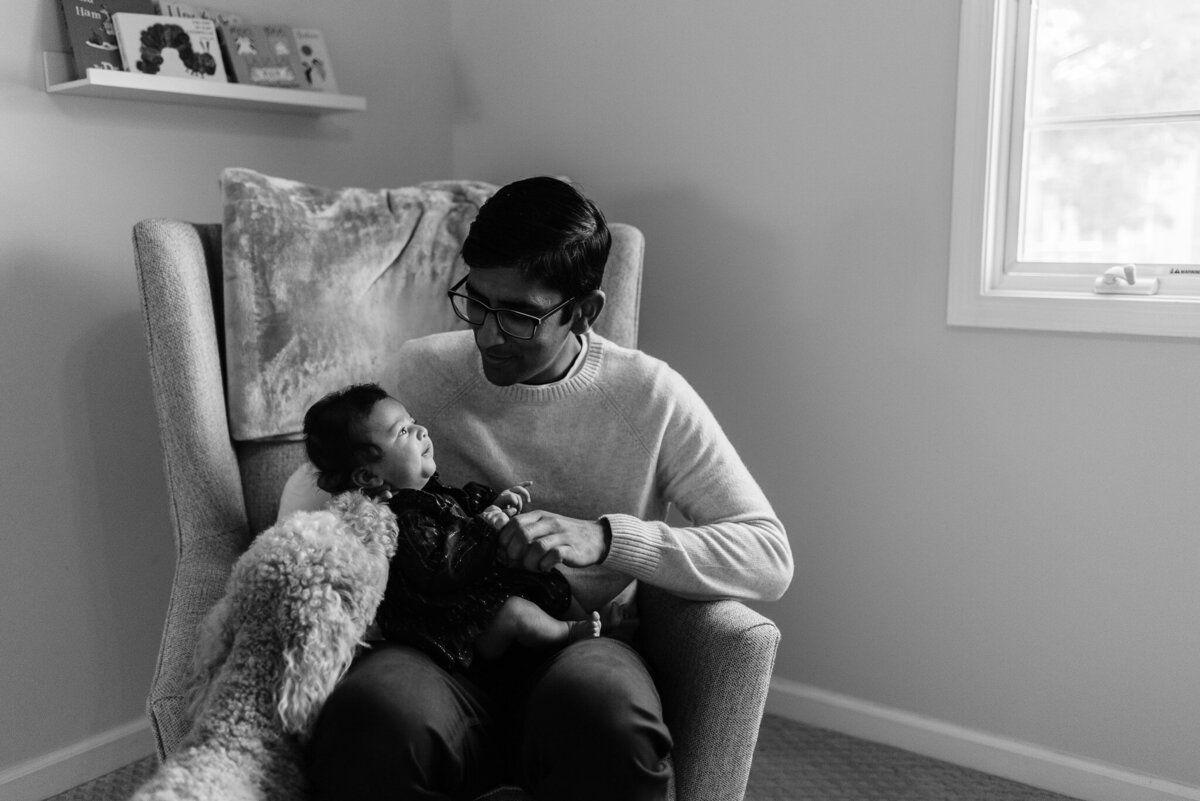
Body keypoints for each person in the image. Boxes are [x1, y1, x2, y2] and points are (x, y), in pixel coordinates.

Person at [292, 176, 793, 801]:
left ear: (584, 310)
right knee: (371, 714)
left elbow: (769, 556)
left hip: (576, 643)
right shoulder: (420, 372)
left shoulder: (650, 397)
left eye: (521, 316)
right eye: (476, 301)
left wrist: (608, 538)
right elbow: (313, 490)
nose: (488, 334)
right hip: (439, 648)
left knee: (609, 720)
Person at [302, 383, 606, 670]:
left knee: (547, 578)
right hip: (456, 626)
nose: (422, 431)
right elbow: (442, 568)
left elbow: (463, 511)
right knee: (515, 612)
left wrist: (495, 506)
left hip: (477, 598)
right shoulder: (398, 520)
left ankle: (599, 625)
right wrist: (487, 525)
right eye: (404, 431)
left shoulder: (428, 495)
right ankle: (569, 633)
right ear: (369, 478)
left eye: (414, 421)